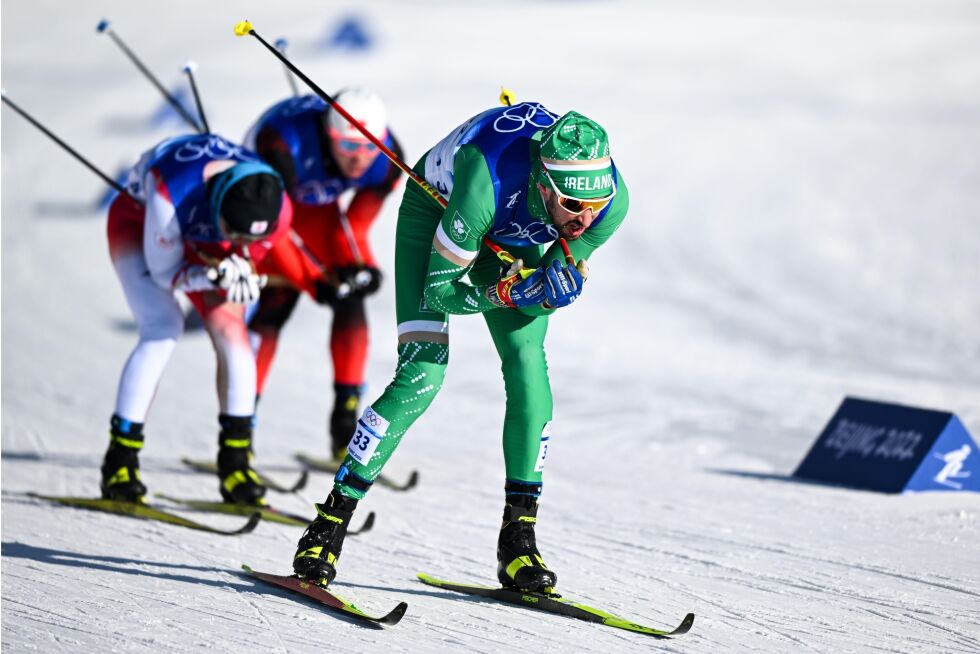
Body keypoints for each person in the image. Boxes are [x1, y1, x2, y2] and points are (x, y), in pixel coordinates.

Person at [292, 102, 629, 592]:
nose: (585, 220)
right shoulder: (483, 185)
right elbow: (441, 292)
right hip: (439, 216)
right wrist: (510, 291)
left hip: (514, 233)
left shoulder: (608, 203)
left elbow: (551, 283)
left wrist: (551, 287)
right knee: (422, 376)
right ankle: (327, 524)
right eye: (573, 207)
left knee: (527, 362)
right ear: (543, 186)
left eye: (595, 205)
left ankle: (519, 540)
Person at [101, 132, 294, 506]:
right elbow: (164, 275)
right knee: (162, 328)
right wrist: (212, 274)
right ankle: (119, 462)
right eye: (235, 233)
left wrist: (240, 266)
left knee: (231, 330)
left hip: (208, 238)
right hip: (141, 223)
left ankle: (236, 464)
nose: (243, 242)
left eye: (249, 238)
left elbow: (246, 250)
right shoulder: (169, 193)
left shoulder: (278, 210)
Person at [244, 87, 403, 460]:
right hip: (266, 210)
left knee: (351, 293)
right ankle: (238, 431)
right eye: (348, 148)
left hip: (317, 209)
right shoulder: (281, 144)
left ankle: (344, 426)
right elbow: (275, 228)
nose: (359, 160)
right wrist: (313, 283)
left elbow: (356, 226)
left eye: (369, 147)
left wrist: (364, 266)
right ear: (328, 136)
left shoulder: (388, 158)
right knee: (276, 303)